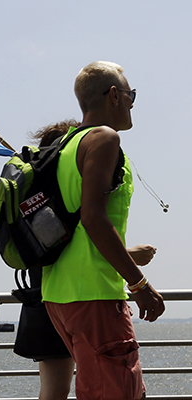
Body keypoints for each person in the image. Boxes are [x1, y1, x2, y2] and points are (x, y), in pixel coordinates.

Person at [41, 61, 165, 400]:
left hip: (58, 294)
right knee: (117, 392)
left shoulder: (66, 144)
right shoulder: (104, 139)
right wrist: (139, 283)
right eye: (130, 94)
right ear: (114, 95)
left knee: (97, 389)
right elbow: (93, 219)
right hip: (95, 294)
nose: (132, 101)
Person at [17, 119, 160, 400]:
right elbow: (86, 242)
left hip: (50, 301)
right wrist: (138, 282)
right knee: (108, 387)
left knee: (56, 391)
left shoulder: (39, 206)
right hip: (86, 298)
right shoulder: (71, 200)